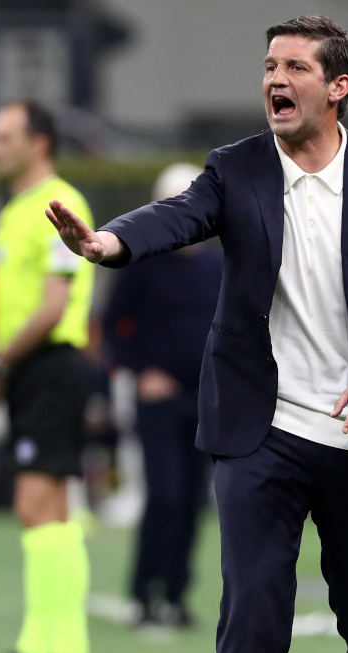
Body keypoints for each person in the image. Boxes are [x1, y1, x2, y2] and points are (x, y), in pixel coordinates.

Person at [46, 16, 348, 653]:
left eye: (295, 66)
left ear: (339, 88)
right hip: (259, 430)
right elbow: (180, 216)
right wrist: (108, 245)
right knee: (253, 617)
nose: (275, 78)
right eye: (269, 64)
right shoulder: (236, 170)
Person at [0, 100, 97, 653]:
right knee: (51, 508)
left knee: (37, 504)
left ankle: (48, 647)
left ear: (39, 142)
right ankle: (57, 645)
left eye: (4, 136)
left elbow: (52, 306)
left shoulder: (59, 203)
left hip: (51, 364)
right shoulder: (14, 209)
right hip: (30, 370)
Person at [102, 162, 225, 627]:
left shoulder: (214, 267)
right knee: (165, 495)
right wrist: (141, 371)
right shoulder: (141, 264)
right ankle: (144, 591)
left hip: (204, 401)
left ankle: (176, 593)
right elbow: (114, 329)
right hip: (156, 400)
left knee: (195, 499)